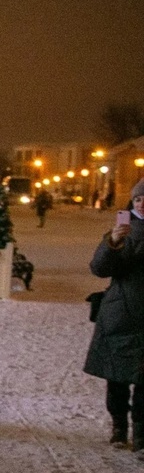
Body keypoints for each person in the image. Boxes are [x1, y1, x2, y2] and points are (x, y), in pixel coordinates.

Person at [83, 180, 144, 452]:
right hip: (122, 313)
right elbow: (99, 268)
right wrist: (114, 242)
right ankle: (119, 427)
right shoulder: (120, 231)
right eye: (139, 198)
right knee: (117, 377)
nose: (143, 203)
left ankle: (142, 436)